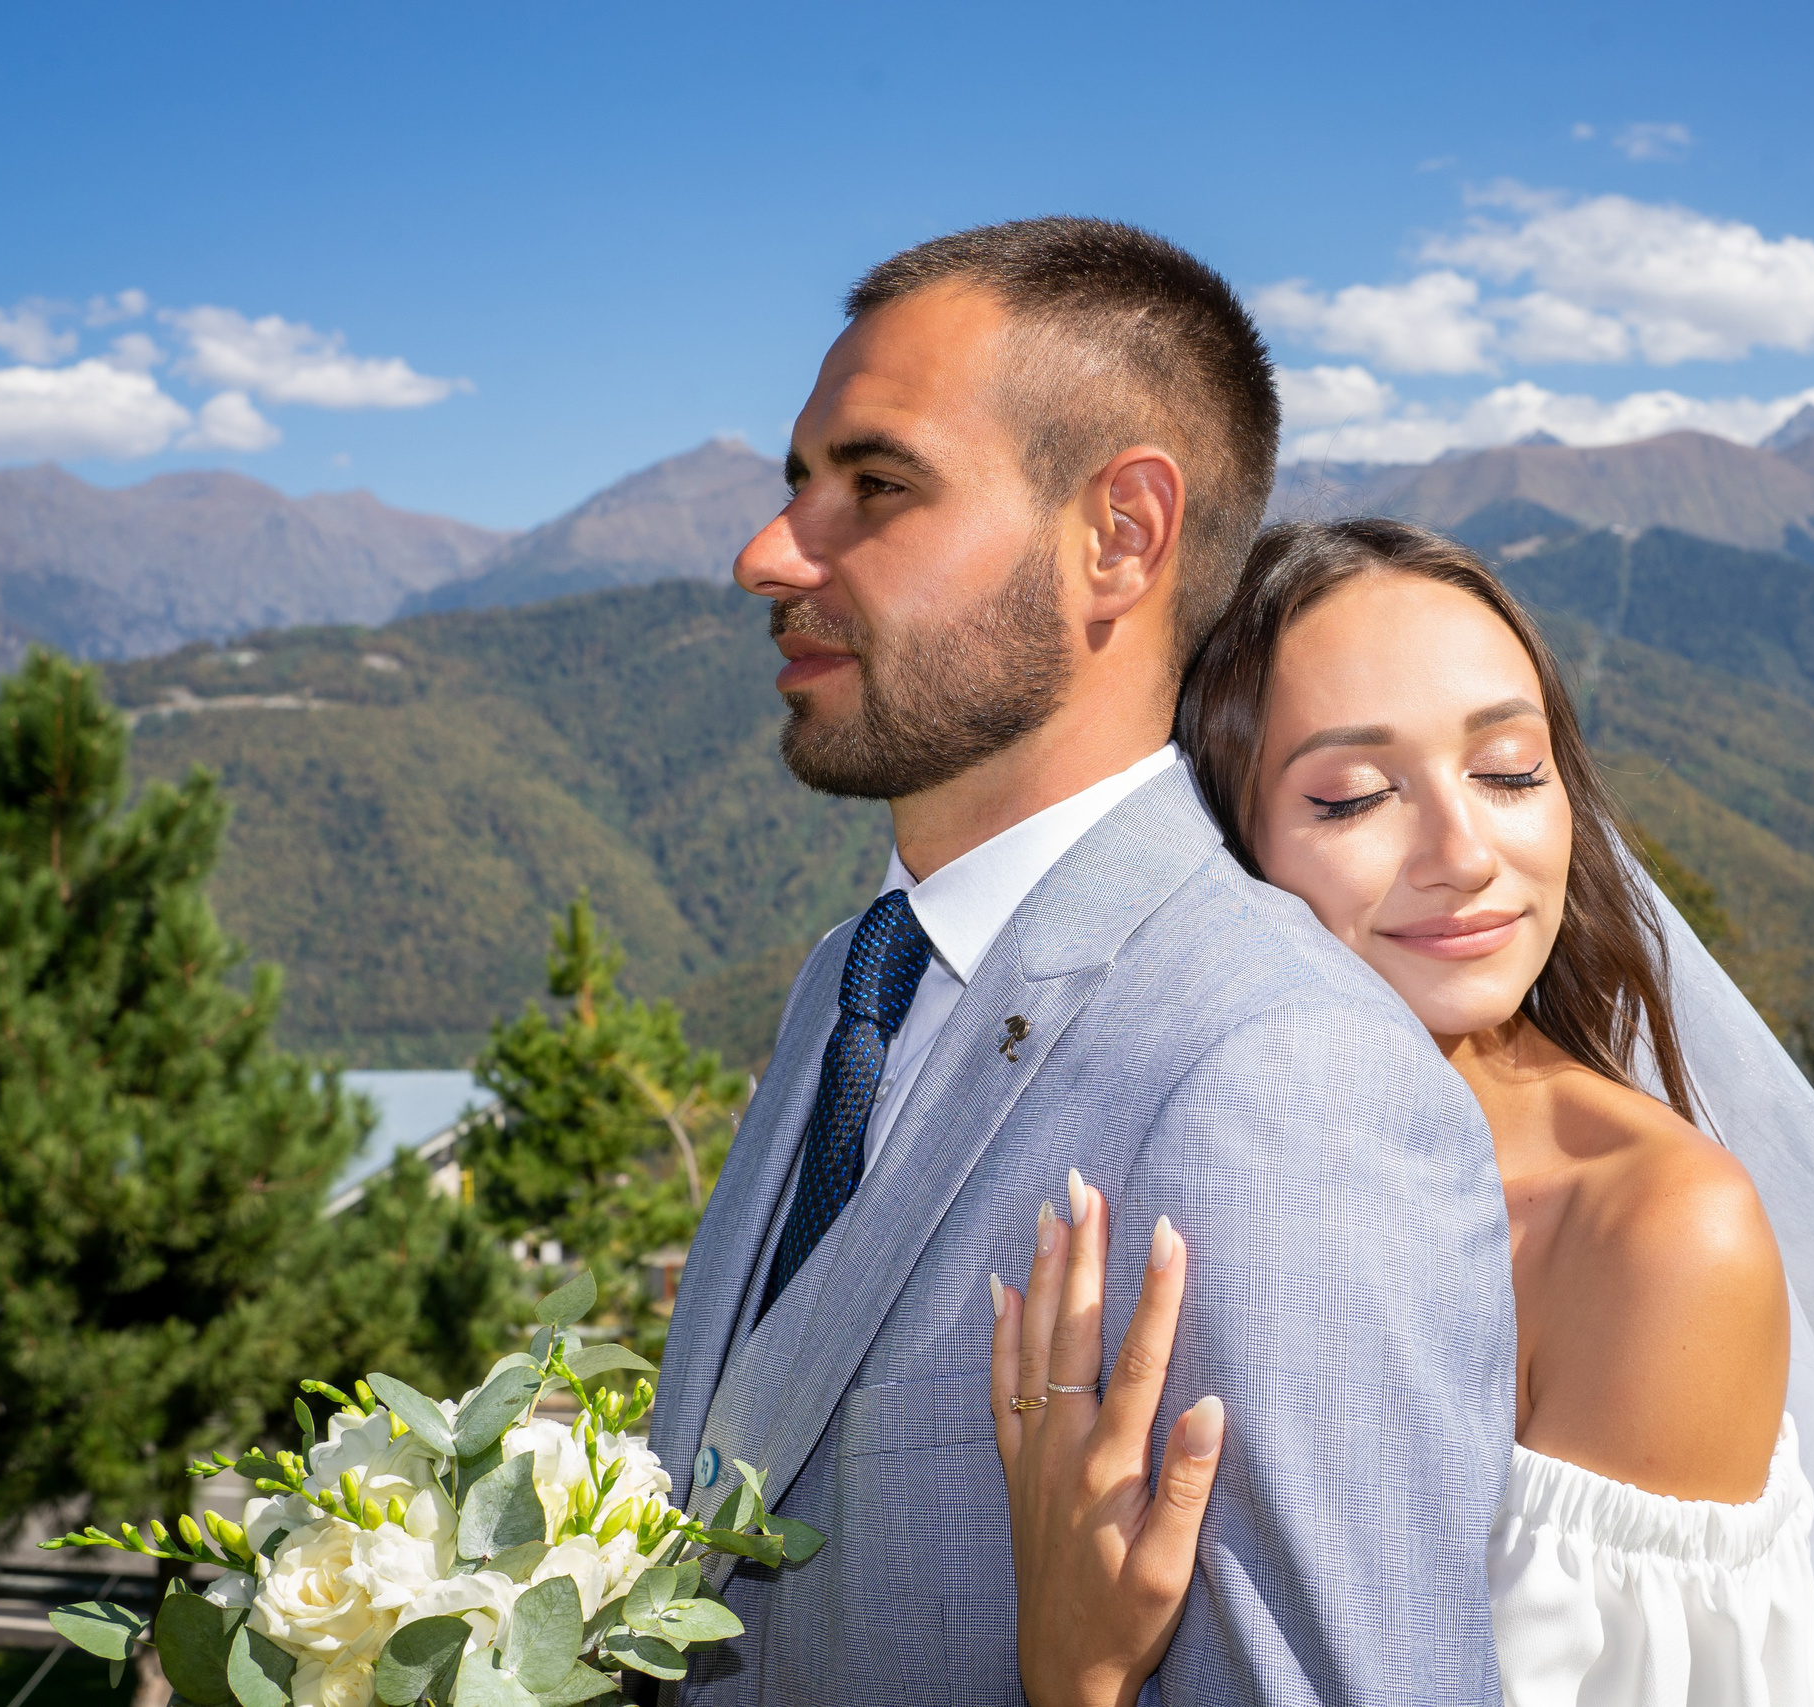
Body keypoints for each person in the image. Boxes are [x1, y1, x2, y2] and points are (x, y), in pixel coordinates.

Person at [645, 224, 1518, 1705]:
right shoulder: (849, 984)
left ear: (1120, 533)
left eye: (876, 484)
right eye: (797, 481)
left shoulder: (1283, 1073)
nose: (770, 551)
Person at [988, 519, 1814, 1707]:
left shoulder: (1652, 1237)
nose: (1463, 852)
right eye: (1353, 796)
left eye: (1507, 772)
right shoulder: (1152, 1178)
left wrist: (1077, 1680)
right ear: (1230, 851)